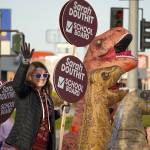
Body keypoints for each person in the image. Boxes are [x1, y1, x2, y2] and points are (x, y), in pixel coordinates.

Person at [5, 41, 61, 150]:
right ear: (30, 76)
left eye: (45, 74)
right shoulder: (26, 92)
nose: (42, 77)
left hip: (45, 145)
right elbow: (17, 85)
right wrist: (25, 62)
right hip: (28, 144)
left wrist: (59, 112)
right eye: (38, 75)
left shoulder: (46, 96)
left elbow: (43, 116)